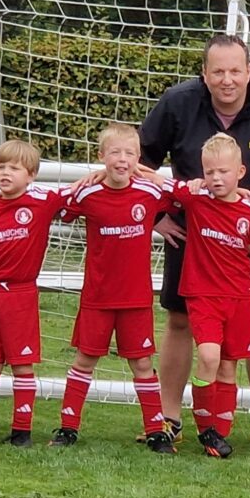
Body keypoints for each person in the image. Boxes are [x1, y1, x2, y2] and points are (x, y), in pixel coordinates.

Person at [140, 34, 250, 446]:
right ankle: (169, 418)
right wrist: (157, 217)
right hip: (193, 234)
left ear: (248, 71)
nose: (227, 80)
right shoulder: (178, 102)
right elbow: (140, 162)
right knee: (180, 320)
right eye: (217, 71)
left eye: (235, 71)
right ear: (204, 74)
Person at [50, 124, 174, 453]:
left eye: (130, 154)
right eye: (115, 153)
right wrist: (82, 181)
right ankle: (67, 427)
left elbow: (185, 195)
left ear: (138, 158)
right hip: (97, 298)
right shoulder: (88, 194)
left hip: (135, 299)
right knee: (84, 360)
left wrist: (153, 174)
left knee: (143, 365)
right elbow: (56, 208)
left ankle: (156, 431)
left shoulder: (151, 192)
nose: (122, 160)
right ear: (101, 156)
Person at [145, 133, 250, 458]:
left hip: (240, 297)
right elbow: (152, 182)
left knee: (227, 366)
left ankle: (218, 436)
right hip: (203, 296)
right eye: (210, 172)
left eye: (223, 171)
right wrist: (118, 165)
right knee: (208, 357)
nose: (216, 178)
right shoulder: (196, 199)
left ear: (240, 171)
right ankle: (205, 429)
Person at [0, 140, 69, 447]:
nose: (6, 173)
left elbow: (76, 193)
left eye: (14, 168)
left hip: (22, 294)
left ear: (31, 175)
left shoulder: (42, 201)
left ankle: (21, 430)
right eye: (0, 167)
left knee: (22, 364)